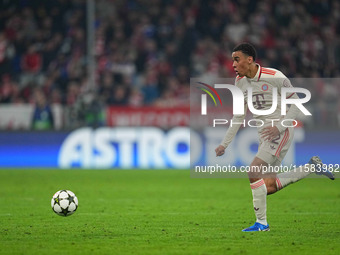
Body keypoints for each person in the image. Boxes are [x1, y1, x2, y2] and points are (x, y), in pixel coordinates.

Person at [215, 43, 334, 232]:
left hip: (281, 132)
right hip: (264, 135)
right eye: (232, 61)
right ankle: (311, 166)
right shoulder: (240, 82)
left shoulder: (275, 76)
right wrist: (224, 144)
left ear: (250, 59)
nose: (233, 65)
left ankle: (262, 224)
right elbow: (239, 116)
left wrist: (279, 127)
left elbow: (296, 104)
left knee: (253, 170)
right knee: (267, 186)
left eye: (236, 60)